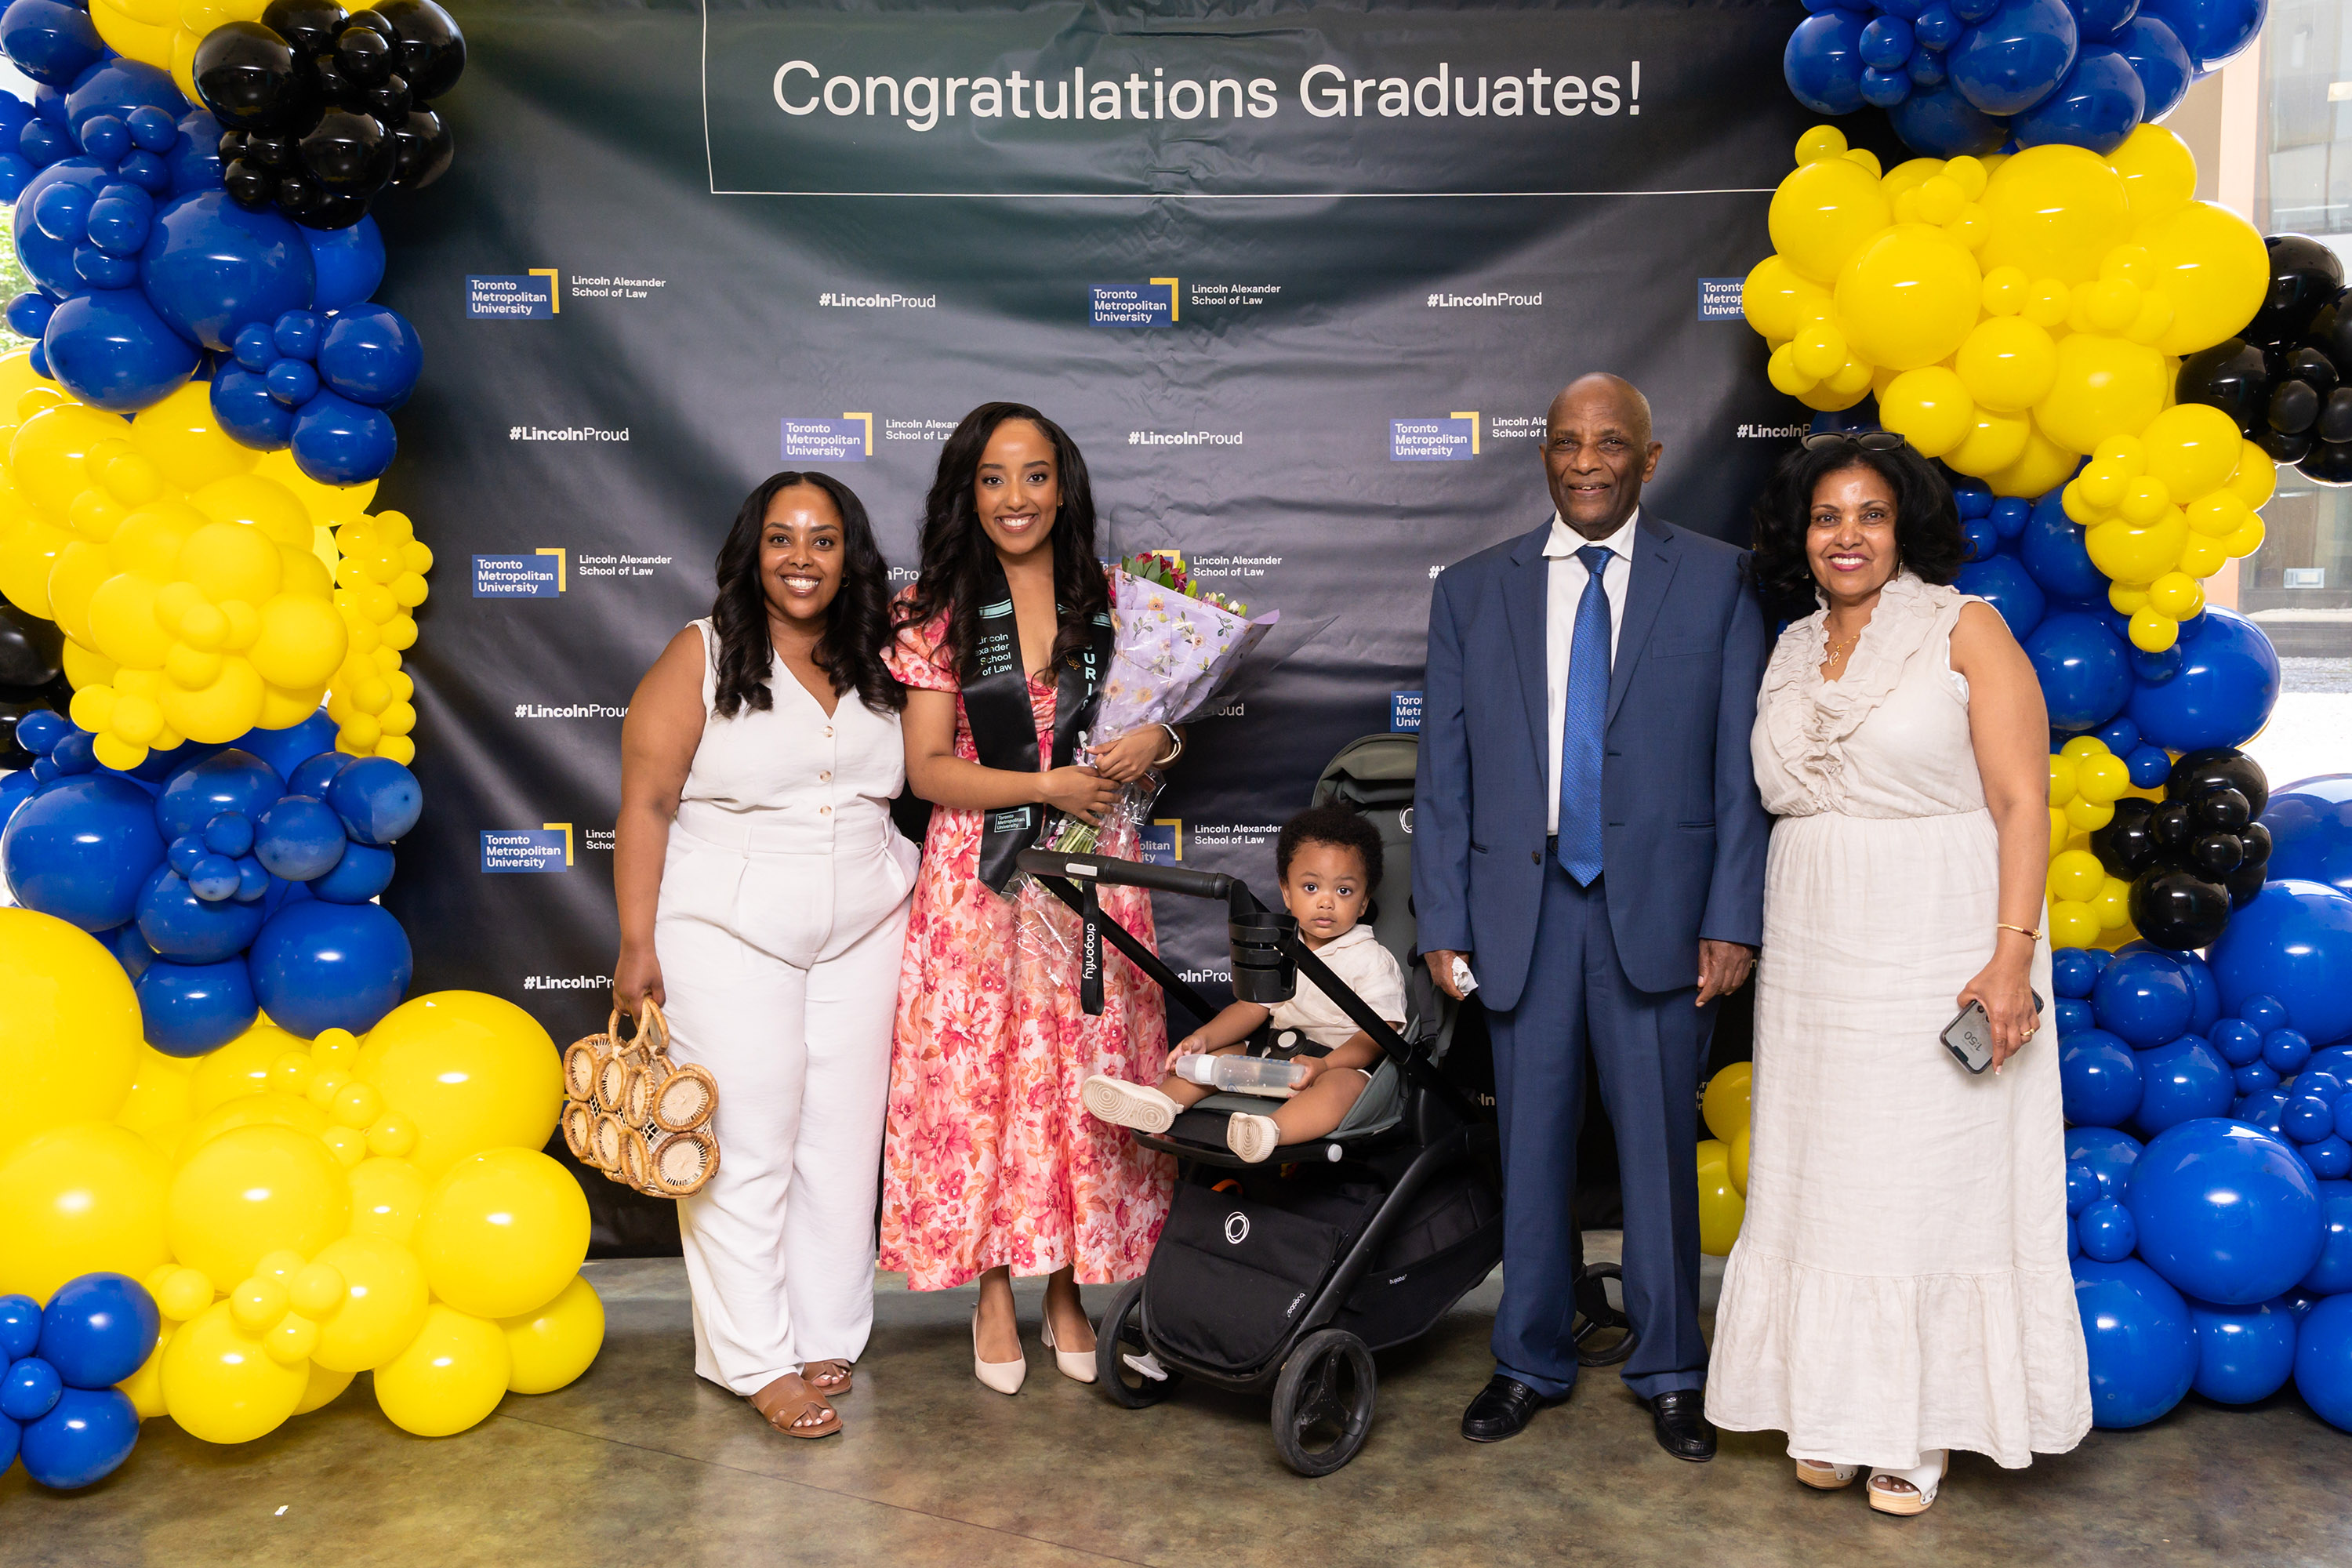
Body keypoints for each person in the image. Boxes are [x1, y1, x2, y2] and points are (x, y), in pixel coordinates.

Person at [1705, 433, 2089, 1514]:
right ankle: (1833, 1407)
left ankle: (1914, 1429)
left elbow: (2023, 803)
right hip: (1818, 955)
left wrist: (2011, 957)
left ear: (1903, 526)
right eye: (1829, 517)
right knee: (1828, 1182)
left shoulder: (1964, 627)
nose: (1848, 535)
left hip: (1940, 940)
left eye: (1871, 514)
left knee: (1926, 1185)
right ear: (1803, 534)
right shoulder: (1787, 649)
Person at [1414, 372, 1771, 1458]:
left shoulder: (1717, 582)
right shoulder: (1474, 591)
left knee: (1661, 1149)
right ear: (1544, 458)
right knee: (1529, 1152)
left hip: (1659, 914)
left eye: (1609, 443)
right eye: (1566, 442)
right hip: (1524, 914)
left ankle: (1671, 1366)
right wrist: (1442, 918)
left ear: (1650, 461)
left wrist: (1734, 917)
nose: (1585, 461)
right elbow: (1446, 776)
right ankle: (1528, 1357)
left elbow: (1738, 775)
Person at [612, 471, 916, 1439]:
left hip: (866, 925)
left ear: (848, 555)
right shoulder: (699, 654)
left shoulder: (882, 657)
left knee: (838, 1141)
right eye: (780, 537)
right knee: (745, 1143)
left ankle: (824, 1327)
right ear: (752, 550)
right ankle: (752, 1357)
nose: (800, 556)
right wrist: (634, 941)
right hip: (727, 927)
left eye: (822, 539)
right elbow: (647, 803)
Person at [883, 401, 1178, 1396]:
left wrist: (1159, 743)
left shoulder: (1114, 599)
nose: (1018, 498)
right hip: (982, 883)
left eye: (1037, 475)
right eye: (995, 478)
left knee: (1076, 1083)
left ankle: (1068, 1286)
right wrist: (1041, 787)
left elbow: (1149, 732)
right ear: (968, 491)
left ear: (1065, 485)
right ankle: (994, 1287)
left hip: (1094, 872)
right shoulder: (936, 607)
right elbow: (927, 771)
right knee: (988, 1089)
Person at [1082, 804, 1407, 1163]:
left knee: (1345, 1087)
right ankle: (1160, 1103)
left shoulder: (1372, 959)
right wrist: (1203, 1039)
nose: (1326, 902)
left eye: (1344, 891)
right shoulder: (1281, 948)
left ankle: (1269, 1132)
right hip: (1274, 1063)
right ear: (1287, 892)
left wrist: (1326, 1066)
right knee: (1223, 1053)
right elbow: (1252, 1007)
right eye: (1311, 887)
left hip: (1332, 1067)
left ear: (1363, 902)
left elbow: (1380, 1034)